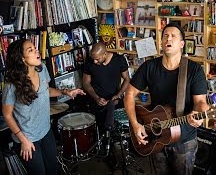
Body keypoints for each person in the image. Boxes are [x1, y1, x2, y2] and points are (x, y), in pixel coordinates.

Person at [124, 23, 209, 175]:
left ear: (182, 44)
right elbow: (129, 94)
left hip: (184, 140)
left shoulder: (194, 70)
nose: (168, 38)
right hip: (156, 137)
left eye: (173, 36)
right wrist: (135, 124)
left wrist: (198, 114)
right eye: (165, 36)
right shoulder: (149, 67)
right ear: (161, 42)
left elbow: (201, 102)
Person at [2, 39, 85, 174]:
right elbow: (6, 114)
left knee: (52, 170)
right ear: (21, 59)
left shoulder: (41, 69)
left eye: (35, 47)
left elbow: (46, 91)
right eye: (31, 50)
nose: (36, 50)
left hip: (46, 131)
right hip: (28, 139)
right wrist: (23, 140)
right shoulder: (11, 85)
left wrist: (65, 92)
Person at [83, 42, 130, 132]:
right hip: (97, 104)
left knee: (117, 132)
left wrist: (119, 94)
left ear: (105, 54)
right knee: (100, 132)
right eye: (93, 59)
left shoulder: (119, 60)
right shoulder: (89, 62)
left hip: (115, 102)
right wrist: (96, 98)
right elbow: (86, 83)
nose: (94, 62)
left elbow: (127, 79)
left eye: (97, 59)